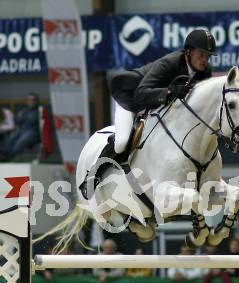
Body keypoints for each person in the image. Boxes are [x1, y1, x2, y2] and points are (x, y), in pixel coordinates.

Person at [80, 29, 216, 199]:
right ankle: (92, 176)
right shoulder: (170, 63)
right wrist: (169, 92)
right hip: (130, 99)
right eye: (201, 54)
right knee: (122, 142)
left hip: (156, 107)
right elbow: (141, 93)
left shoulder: (205, 72)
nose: (205, 60)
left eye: (208, 56)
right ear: (189, 51)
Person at [0, 93, 41, 161]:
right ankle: (3, 153)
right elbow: (16, 119)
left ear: (37, 101)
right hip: (21, 129)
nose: (31, 102)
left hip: (33, 131)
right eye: (29, 100)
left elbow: (33, 120)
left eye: (33, 100)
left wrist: (23, 118)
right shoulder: (24, 110)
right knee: (11, 138)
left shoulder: (40, 110)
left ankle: (9, 157)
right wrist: (25, 118)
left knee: (21, 141)